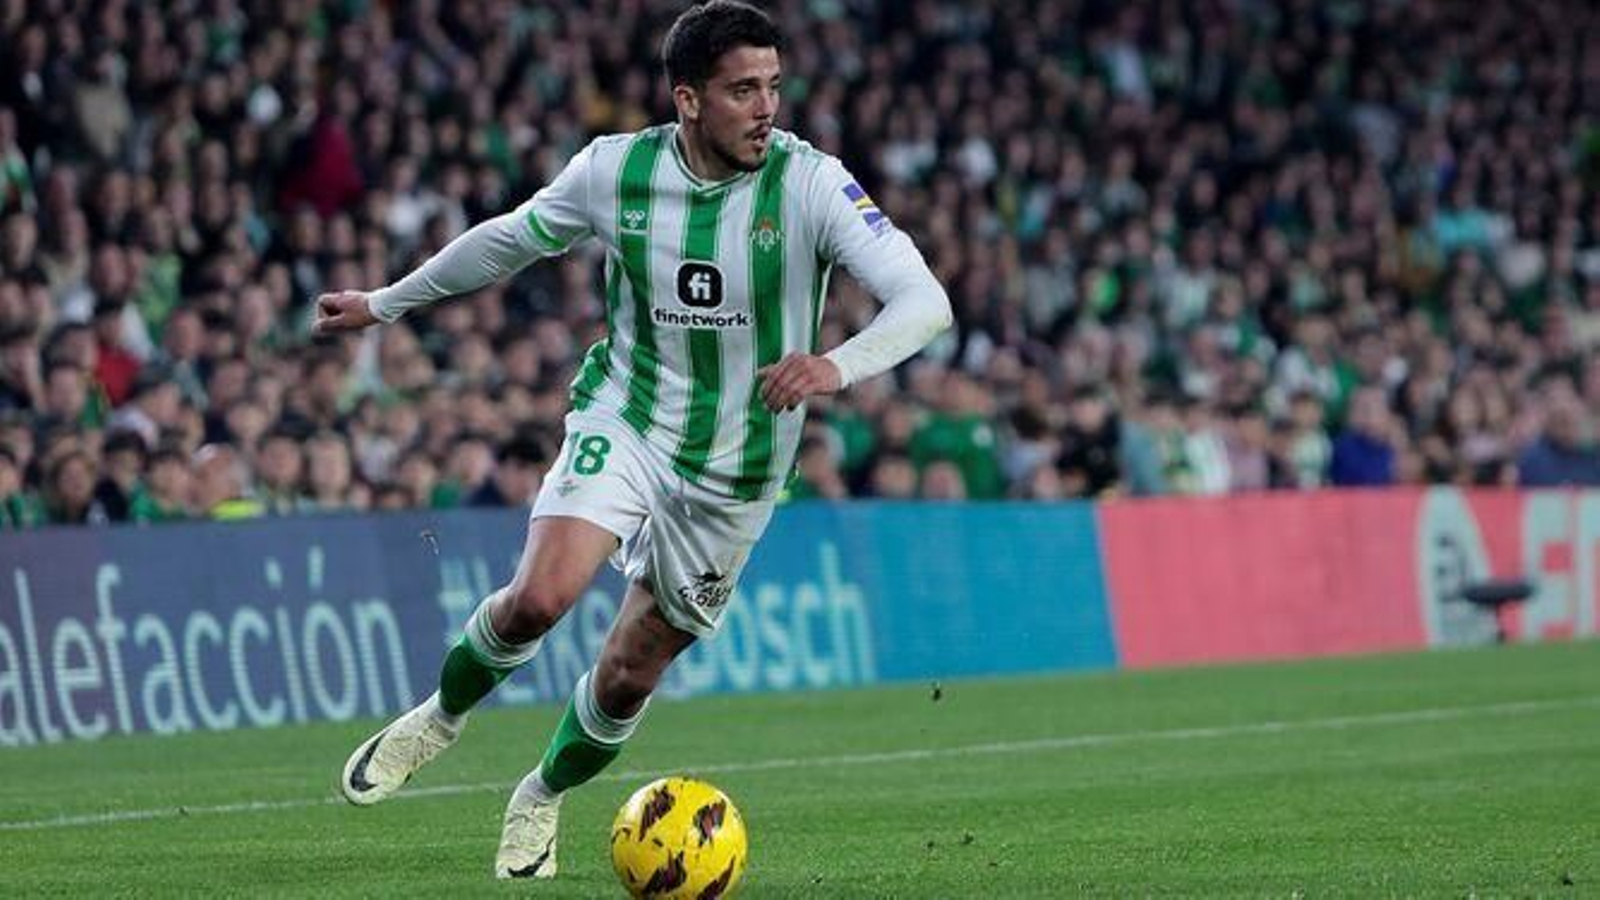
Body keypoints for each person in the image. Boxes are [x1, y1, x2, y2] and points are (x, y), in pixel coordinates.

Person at [314, 0, 951, 881]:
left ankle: (540, 794)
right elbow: (508, 241)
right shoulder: (615, 172)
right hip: (631, 416)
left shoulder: (811, 182)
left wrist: (835, 366)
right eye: (741, 90)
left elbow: (925, 300)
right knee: (538, 599)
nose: (766, 106)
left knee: (627, 674)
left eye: (772, 85)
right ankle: (441, 717)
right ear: (688, 100)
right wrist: (385, 303)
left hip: (740, 466)